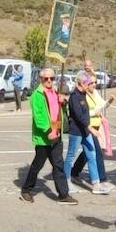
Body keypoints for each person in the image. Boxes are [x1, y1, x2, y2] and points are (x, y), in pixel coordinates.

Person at [20, 69, 77, 205]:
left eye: (52, 78)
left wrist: (63, 103)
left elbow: (60, 113)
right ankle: (26, 190)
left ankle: (63, 195)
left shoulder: (55, 93)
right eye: (46, 78)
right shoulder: (37, 95)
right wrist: (48, 131)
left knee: (58, 166)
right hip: (44, 137)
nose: (49, 81)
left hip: (56, 134)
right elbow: (38, 117)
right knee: (37, 165)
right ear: (41, 79)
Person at [65, 73, 105, 192]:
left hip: (85, 131)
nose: (89, 86)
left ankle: (96, 184)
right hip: (76, 132)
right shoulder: (74, 97)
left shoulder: (84, 95)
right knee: (71, 156)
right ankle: (66, 180)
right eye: (87, 83)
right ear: (79, 83)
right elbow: (79, 116)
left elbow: (86, 114)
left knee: (91, 154)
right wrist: (91, 128)